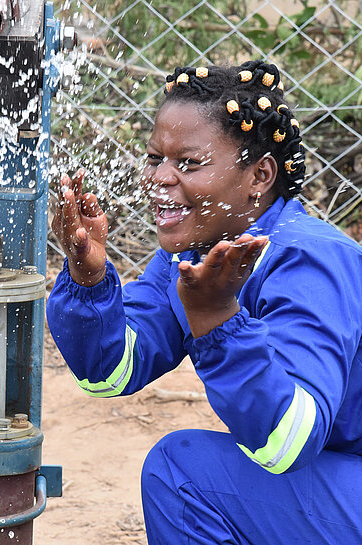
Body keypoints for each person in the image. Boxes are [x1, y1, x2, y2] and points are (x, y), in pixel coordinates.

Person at [46, 60, 362, 543]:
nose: (160, 177)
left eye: (189, 163)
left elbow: (290, 441)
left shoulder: (309, 261)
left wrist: (217, 320)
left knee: (183, 473)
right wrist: (87, 278)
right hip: (337, 479)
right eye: (155, 158)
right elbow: (110, 371)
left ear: (259, 175)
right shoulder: (193, 255)